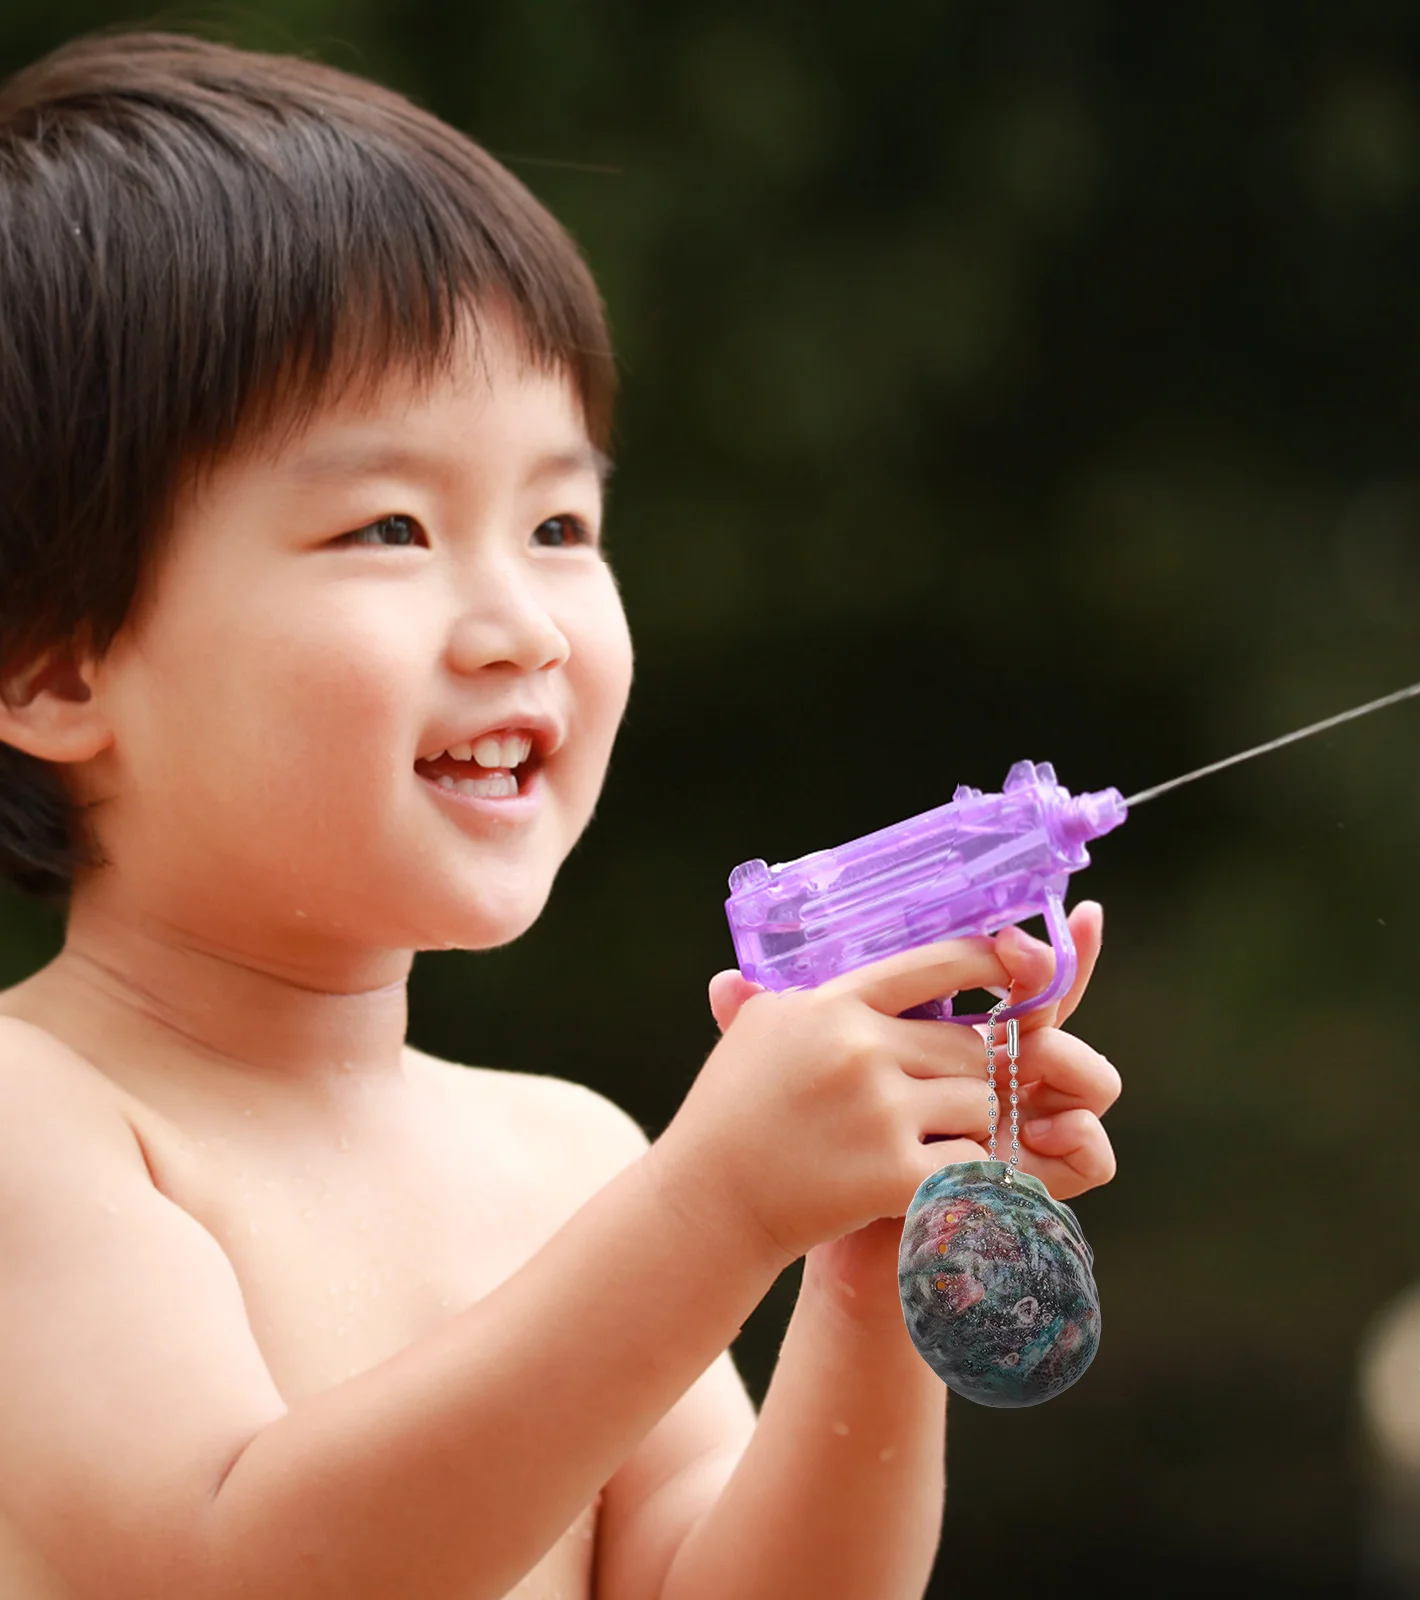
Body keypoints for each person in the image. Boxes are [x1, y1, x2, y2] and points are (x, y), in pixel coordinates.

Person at [0, 29, 1122, 1600]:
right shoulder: (33, 1124)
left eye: (558, 522)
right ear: (54, 663)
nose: (520, 621)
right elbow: (239, 1565)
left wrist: (869, 1253)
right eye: (390, 526)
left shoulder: (570, 1160)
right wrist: (717, 1208)